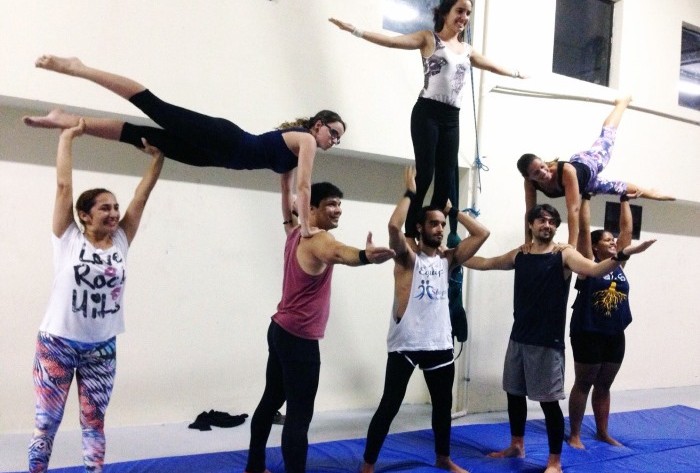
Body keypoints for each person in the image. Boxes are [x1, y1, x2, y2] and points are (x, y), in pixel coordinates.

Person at [24, 55, 346, 238]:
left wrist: (290, 229)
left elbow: (287, 191)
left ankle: (68, 121)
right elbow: (304, 188)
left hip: (215, 157)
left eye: (338, 138)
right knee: (155, 107)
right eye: (332, 133)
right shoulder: (306, 140)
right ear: (318, 125)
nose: (333, 141)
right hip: (225, 139)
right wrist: (306, 228)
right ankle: (79, 67)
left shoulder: (294, 154)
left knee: (142, 137)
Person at [465, 203, 655, 473]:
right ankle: (516, 444)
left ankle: (554, 461)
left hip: (547, 342)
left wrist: (625, 253)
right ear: (531, 224)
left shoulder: (563, 254)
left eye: (552, 221)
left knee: (548, 403)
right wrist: (452, 257)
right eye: (541, 220)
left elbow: (593, 270)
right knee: (514, 394)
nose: (547, 225)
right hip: (519, 337)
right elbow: (486, 263)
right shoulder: (521, 254)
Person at [28, 119, 164, 473]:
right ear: (84, 216)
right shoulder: (68, 238)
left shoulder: (121, 240)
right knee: (46, 422)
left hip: (101, 347)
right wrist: (67, 137)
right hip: (57, 343)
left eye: (115, 207)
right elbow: (63, 187)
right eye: (105, 208)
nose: (115, 213)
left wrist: (157, 159)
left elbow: (141, 198)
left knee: (94, 422)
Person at [329, 0, 525, 237]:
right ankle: (411, 232)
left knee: (445, 180)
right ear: (445, 12)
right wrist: (356, 30)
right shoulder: (429, 38)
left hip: (451, 117)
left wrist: (516, 73)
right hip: (427, 113)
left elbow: (491, 66)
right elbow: (392, 42)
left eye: (468, 13)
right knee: (425, 174)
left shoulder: (467, 50)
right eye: (460, 11)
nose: (464, 17)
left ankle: (433, 230)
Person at [244, 182, 395, 473]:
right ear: (312, 208)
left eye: (339, 204)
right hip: (299, 339)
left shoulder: (294, 233)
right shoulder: (319, 239)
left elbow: (288, 208)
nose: (338, 210)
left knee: (270, 401)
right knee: (299, 417)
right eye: (331, 204)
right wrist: (365, 256)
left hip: (279, 330)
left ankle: (254, 466)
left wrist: (286, 177)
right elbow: (338, 253)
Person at [361, 167, 489, 473]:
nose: (440, 229)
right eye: (434, 223)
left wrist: (452, 211)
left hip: (439, 342)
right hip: (406, 343)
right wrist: (410, 192)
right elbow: (394, 226)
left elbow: (482, 234)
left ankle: (443, 458)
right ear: (420, 227)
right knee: (389, 406)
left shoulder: (448, 259)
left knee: (442, 406)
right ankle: (367, 465)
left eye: (442, 224)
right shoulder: (407, 258)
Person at [517, 96, 674, 246]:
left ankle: (622, 103)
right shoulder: (530, 183)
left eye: (543, 166)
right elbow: (529, 213)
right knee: (619, 188)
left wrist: (571, 246)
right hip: (587, 185)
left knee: (607, 136)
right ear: (528, 176)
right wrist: (527, 242)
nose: (544, 173)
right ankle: (651, 193)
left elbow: (573, 209)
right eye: (536, 173)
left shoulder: (565, 171)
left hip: (589, 163)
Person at [567, 193, 638, 449]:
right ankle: (575, 434)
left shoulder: (619, 265)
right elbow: (584, 231)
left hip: (614, 333)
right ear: (595, 247)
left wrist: (624, 199)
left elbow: (626, 232)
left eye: (613, 240)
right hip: (588, 332)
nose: (613, 242)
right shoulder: (588, 264)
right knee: (584, 383)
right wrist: (585, 197)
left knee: (604, 385)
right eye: (607, 240)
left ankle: (602, 432)